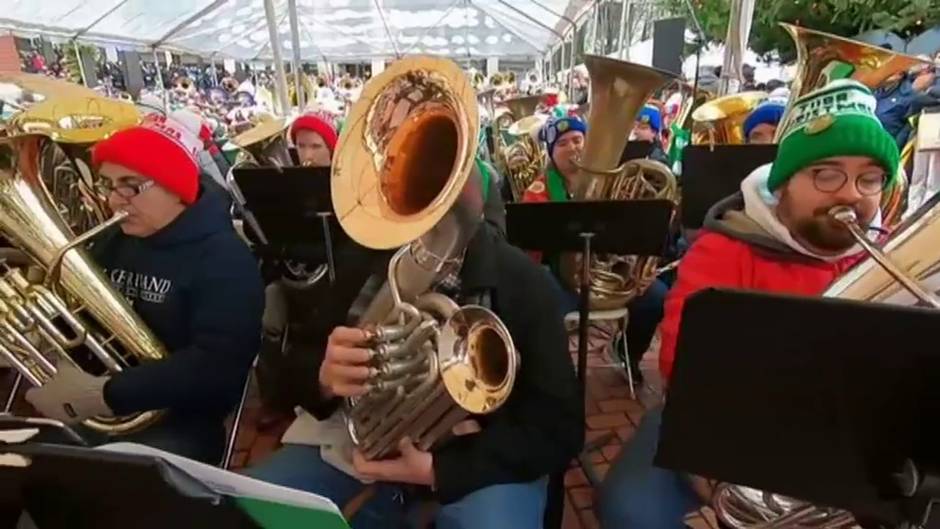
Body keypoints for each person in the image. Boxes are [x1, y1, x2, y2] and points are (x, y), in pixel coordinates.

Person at [598, 79, 900, 528]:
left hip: (844, 439)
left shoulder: (890, 257)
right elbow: (686, 367)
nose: (851, 194)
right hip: (723, 424)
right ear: (786, 183)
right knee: (629, 513)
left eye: (869, 178)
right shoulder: (724, 251)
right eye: (826, 173)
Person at [245, 177, 584, 529]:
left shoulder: (525, 282)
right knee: (259, 510)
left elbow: (560, 428)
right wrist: (323, 377)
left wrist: (440, 470)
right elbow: (295, 365)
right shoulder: (365, 257)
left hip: (479, 459)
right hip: (356, 440)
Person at [25, 114, 265, 465]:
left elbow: (218, 367)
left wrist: (105, 393)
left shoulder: (225, 259)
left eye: (131, 186)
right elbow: (81, 318)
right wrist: (39, 326)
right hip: (99, 400)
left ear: (174, 188)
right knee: (25, 460)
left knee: (101, 479)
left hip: (181, 418)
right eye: (108, 185)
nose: (114, 200)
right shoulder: (112, 239)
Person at [522, 115, 668, 382]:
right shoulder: (538, 192)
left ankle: (627, 353)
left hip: (609, 275)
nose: (573, 148)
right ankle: (556, 372)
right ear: (551, 153)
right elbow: (530, 249)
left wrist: (641, 269)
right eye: (563, 144)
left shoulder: (614, 182)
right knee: (543, 307)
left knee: (657, 297)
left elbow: (636, 232)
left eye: (578, 140)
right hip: (562, 279)